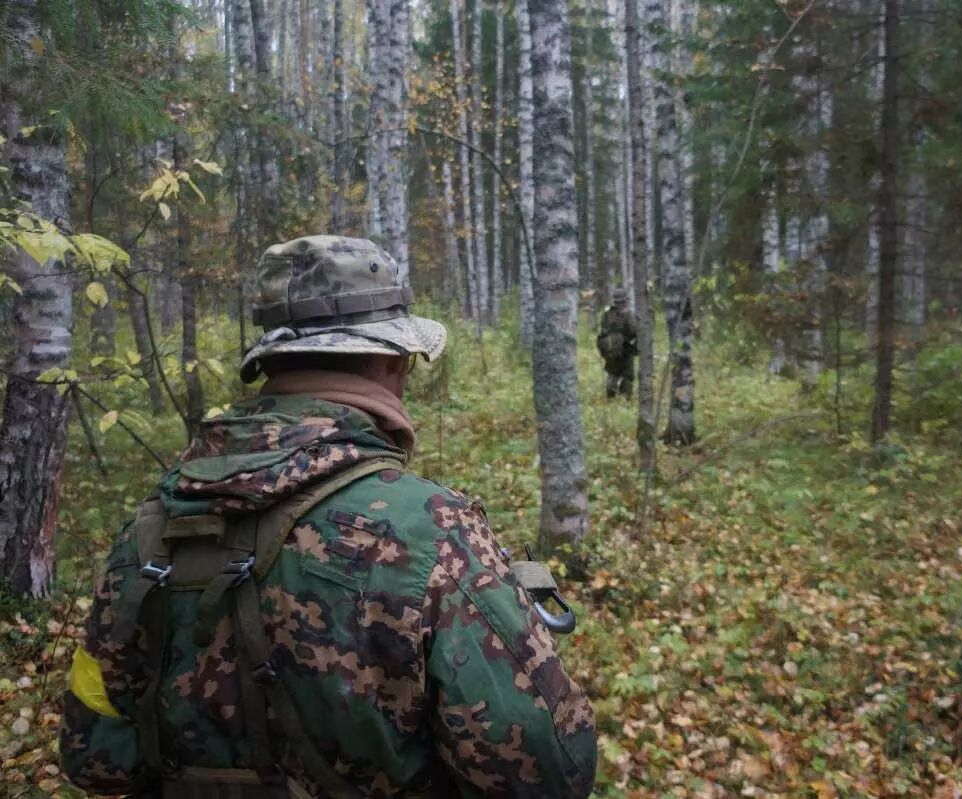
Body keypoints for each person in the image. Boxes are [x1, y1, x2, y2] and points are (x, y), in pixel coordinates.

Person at [60, 235, 597, 799]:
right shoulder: (432, 530)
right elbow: (549, 773)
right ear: (391, 360)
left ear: (269, 362)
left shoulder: (154, 524)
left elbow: (94, 758)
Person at [596, 287, 637, 399]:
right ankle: (626, 399)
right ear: (626, 300)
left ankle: (610, 398)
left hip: (610, 352)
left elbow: (602, 331)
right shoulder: (628, 314)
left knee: (612, 375)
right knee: (628, 376)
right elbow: (634, 330)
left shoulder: (607, 313)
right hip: (625, 350)